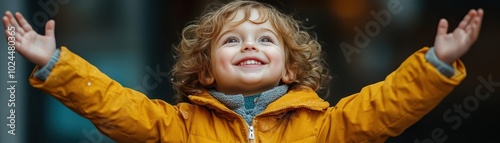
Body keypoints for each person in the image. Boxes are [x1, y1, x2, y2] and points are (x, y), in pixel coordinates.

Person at [2, 1, 483, 142]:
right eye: (231, 41)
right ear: (206, 73)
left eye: (264, 39)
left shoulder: (325, 126)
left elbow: (385, 107)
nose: (248, 44)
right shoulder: (180, 127)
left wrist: (435, 64)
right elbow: (114, 104)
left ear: (291, 68)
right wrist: (55, 63)